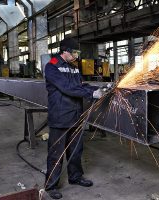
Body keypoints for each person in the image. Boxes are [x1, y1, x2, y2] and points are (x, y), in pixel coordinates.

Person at [44, 37, 103, 199]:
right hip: (60, 116)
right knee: (56, 153)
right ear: (65, 52)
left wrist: (99, 88)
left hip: (76, 115)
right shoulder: (52, 67)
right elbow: (67, 88)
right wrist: (91, 94)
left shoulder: (74, 68)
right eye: (75, 52)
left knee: (76, 150)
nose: (77, 55)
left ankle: (75, 177)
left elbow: (80, 86)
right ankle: (51, 185)